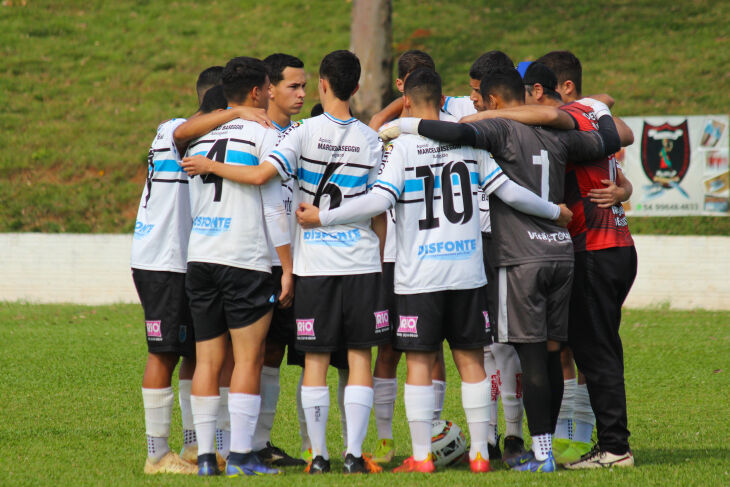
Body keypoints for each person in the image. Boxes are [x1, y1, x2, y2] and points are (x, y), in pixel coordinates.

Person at [298, 67, 573, 474]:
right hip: (466, 271)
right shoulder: (472, 145)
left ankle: (423, 457)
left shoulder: (405, 148)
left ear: (406, 102)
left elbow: (377, 201)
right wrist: (555, 210)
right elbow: (511, 193)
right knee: (471, 362)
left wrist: (325, 216)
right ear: (442, 99)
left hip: (419, 276)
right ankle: (480, 455)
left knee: (421, 364)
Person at [378, 65, 622, 473]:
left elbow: (456, 136)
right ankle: (547, 444)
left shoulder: (497, 132)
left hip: (518, 256)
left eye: (478, 100)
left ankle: (540, 453)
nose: (472, 105)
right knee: (552, 352)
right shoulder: (559, 131)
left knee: (521, 355)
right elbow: (612, 140)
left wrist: (400, 127)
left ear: (492, 102)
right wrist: (598, 109)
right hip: (562, 253)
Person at [182, 50, 388, 475]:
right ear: (264, 90)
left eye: (304, 85)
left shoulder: (282, 133)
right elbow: (377, 203)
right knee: (277, 357)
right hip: (295, 258)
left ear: (323, 86)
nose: (300, 93)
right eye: (291, 85)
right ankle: (255, 452)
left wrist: (209, 161)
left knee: (246, 359)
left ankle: (215, 454)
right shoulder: (355, 137)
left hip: (221, 255)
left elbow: (183, 137)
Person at [184, 56, 293, 477]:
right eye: (269, 88)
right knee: (248, 359)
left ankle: (208, 457)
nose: (271, 94)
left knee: (208, 360)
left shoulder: (200, 137)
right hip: (243, 258)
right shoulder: (264, 134)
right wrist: (286, 267)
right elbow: (271, 208)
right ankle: (243, 456)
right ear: (255, 92)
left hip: (202, 256)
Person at [535, 51, 638, 469]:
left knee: (596, 353)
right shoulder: (596, 116)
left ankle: (615, 449)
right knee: (599, 349)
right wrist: (624, 188)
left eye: (537, 93)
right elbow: (613, 113)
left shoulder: (574, 117)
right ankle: (608, 442)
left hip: (594, 250)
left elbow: (620, 127)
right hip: (620, 247)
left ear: (561, 89)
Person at [131, 66, 225, 476]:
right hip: (161, 261)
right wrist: (236, 114)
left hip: (182, 260)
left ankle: (192, 446)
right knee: (164, 353)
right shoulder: (173, 129)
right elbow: (185, 132)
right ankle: (156, 455)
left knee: (191, 352)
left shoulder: (191, 134)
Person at [367, 49, 450, 465]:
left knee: (431, 349)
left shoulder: (451, 125)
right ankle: (385, 440)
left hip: (431, 251)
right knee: (388, 350)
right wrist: (399, 107)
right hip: (390, 256)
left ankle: (434, 434)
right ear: (402, 87)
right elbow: (369, 131)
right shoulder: (387, 134)